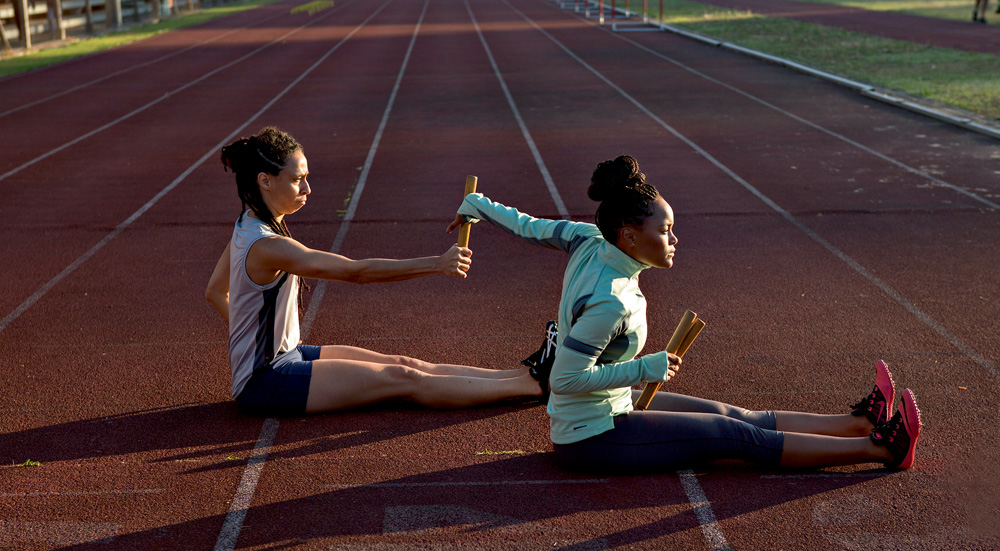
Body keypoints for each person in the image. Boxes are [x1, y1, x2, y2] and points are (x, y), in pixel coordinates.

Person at [446, 155, 922, 472]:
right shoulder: (609, 299)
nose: (674, 240)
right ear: (631, 235)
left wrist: (478, 206)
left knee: (732, 413)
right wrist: (645, 367)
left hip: (616, 406)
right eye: (666, 230)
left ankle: (860, 423)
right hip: (590, 437)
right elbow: (565, 379)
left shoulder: (588, 238)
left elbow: (527, 226)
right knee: (730, 436)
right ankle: (882, 449)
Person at [205, 127, 544, 416]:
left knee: (405, 363)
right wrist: (437, 264)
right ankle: (532, 386)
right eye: (297, 180)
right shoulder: (266, 245)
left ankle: (520, 376)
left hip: (285, 355)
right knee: (403, 380)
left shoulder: (246, 223)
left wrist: (252, 340)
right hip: (267, 382)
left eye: (307, 178)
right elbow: (357, 272)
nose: (308, 189)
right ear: (265, 181)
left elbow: (215, 291)